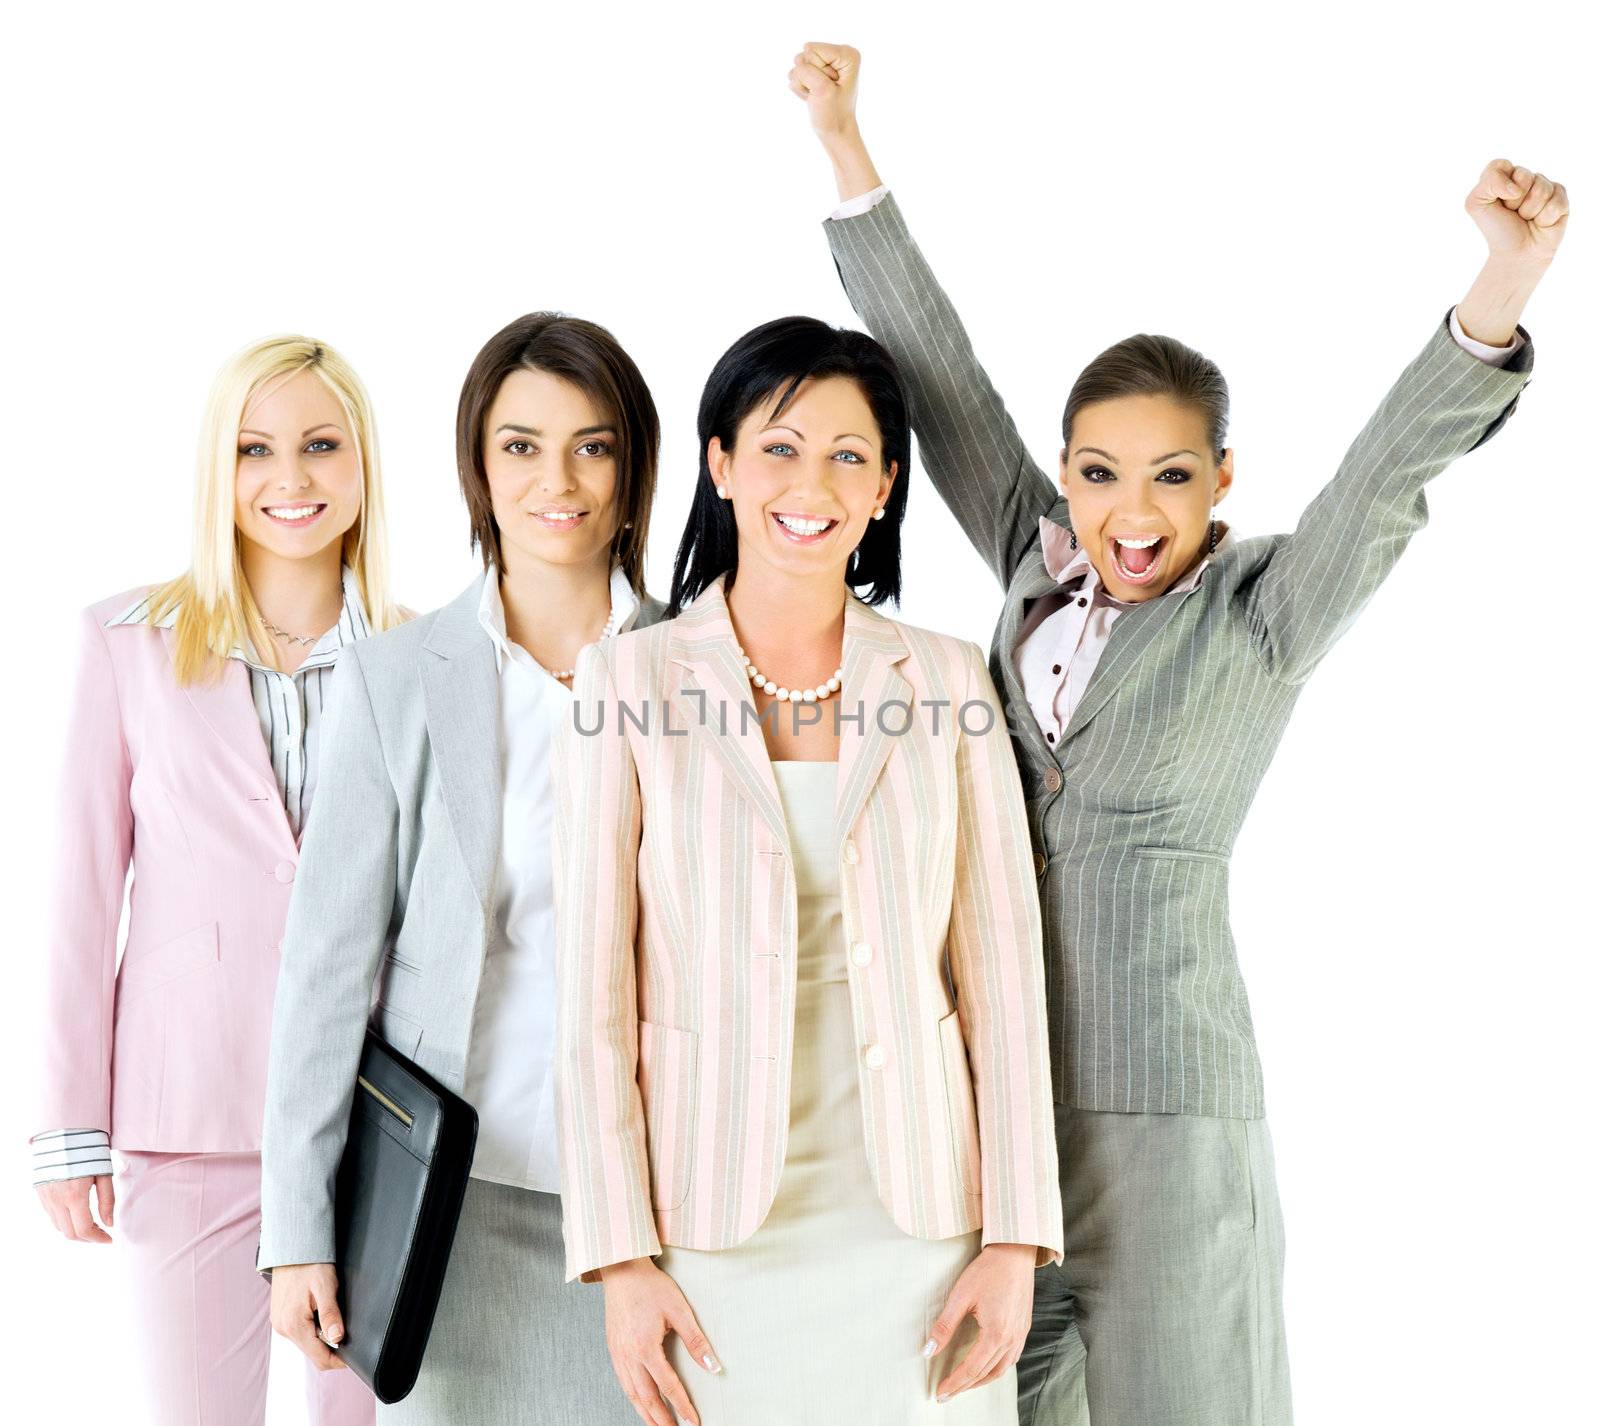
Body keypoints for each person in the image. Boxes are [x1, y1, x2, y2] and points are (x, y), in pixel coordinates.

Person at [789, 41, 1565, 1426]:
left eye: (1166, 477)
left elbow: (1385, 477)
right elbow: (939, 373)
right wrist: (847, 144)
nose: (1127, 512)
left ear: (1220, 482)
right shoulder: (1034, 568)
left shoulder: (1261, 612)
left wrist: (1499, 287)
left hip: (1167, 1108)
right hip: (993, 1110)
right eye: (1097, 474)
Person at [552, 314, 1063, 1426]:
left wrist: (1017, 1237)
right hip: (710, 1227)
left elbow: (1004, 985)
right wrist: (620, 1261)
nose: (812, 482)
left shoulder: (946, 680)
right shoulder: (627, 681)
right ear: (721, 463)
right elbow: (590, 1001)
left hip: (924, 1228)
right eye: (779, 447)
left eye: (847, 455)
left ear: (884, 486)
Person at [259, 312, 666, 1425]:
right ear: (479, 473)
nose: (559, 479)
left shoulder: (701, 673)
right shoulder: (397, 676)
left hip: (656, 1219)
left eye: (593, 445)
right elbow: (325, 967)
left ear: (634, 469)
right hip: (451, 1208)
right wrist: (298, 1228)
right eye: (521, 446)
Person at [32, 334, 399, 1426]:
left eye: (321, 445)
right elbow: (79, 901)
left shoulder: (423, 656)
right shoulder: (124, 643)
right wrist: (67, 1128)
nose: (291, 479)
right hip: (186, 1115)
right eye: (256, 448)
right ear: (218, 469)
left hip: (372, 1124)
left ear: (362, 463)